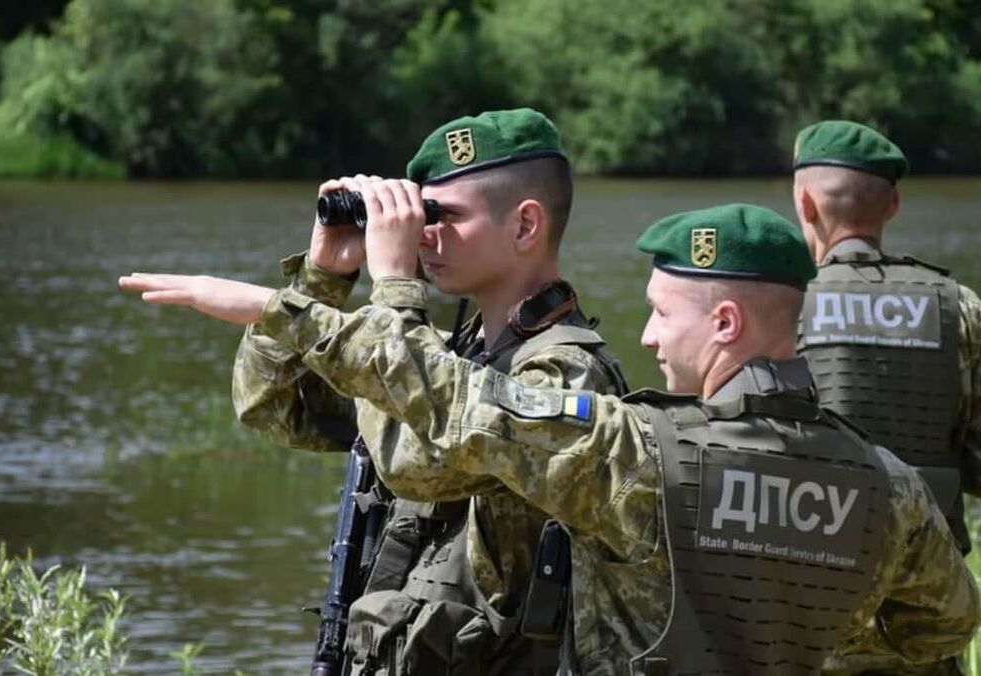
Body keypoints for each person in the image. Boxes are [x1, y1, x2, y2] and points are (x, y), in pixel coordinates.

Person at [223, 201, 977, 675]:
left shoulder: (641, 454)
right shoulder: (885, 482)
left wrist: (292, 307)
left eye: (661, 313)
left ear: (724, 324)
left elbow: (455, 417)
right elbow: (943, 622)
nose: (646, 335)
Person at [121, 108, 628, 675]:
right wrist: (322, 278)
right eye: (417, 214)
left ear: (525, 225)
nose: (422, 233)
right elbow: (271, 405)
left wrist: (390, 286)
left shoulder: (569, 376)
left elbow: (422, 463)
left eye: (442, 216)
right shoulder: (438, 358)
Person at [792, 120, 981, 556]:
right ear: (893, 204)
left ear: (806, 204)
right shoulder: (958, 305)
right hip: (931, 571)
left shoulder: (782, 305)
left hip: (814, 564)